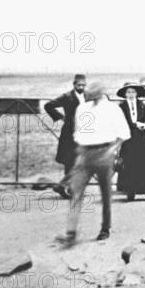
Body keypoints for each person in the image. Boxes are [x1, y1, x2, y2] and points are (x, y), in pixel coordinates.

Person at [55, 82, 130, 248]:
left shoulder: (112, 109)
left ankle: (105, 228)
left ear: (102, 93)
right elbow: (78, 131)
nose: (91, 95)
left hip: (104, 152)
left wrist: (113, 149)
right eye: (90, 92)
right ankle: (70, 233)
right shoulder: (82, 109)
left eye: (95, 92)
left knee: (105, 193)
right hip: (84, 154)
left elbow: (124, 133)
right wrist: (81, 151)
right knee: (76, 192)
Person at [44, 74, 87, 199]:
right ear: (74, 85)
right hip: (70, 132)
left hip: (84, 130)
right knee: (70, 159)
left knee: (82, 158)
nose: (81, 87)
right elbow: (48, 105)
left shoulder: (87, 96)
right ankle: (68, 189)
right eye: (79, 85)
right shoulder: (67, 97)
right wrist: (61, 117)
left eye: (83, 85)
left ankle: (69, 186)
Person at [116, 82, 145, 201]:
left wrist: (144, 125)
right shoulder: (121, 106)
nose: (131, 94)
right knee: (130, 164)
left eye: (133, 92)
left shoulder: (142, 105)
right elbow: (120, 122)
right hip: (129, 138)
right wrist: (134, 125)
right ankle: (130, 191)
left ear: (137, 93)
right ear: (125, 94)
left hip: (142, 138)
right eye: (128, 92)